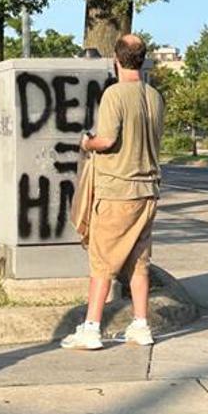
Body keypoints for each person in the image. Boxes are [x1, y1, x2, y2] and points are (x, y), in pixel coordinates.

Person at [62, 34, 165, 350]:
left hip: (118, 189)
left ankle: (91, 328)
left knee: (102, 260)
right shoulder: (154, 97)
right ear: (143, 58)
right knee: (138, 260)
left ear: (115, 60)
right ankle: (140, 324)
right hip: (148, 190)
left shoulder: (114, 95)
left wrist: (85, 142)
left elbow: (106, 140)